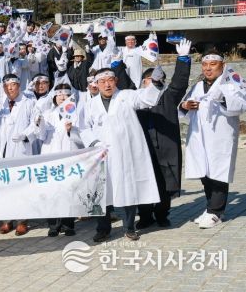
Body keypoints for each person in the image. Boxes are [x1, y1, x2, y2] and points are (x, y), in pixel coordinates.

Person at [81, 67, 165, 242]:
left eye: (110, 80)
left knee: (127, 188)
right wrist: (94, 143)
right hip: (101, 154)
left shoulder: (127, 96)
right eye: (102, 81)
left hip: (126, 153)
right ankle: (103, 229)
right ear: (96, 84)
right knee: (101, 191)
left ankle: (129, 227)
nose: (107, 85)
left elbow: (146, 98)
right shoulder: (90, 104)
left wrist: (156, 83)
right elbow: (84, 128)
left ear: (116, 81)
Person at [180, 49, 246, 229]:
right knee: (205, 173)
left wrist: (223, 98)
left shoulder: (231, 84)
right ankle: (210, 208)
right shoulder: (197, 85)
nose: (208, 68)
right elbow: (183, 105)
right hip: (199, 136)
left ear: (222, 66)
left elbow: (242, 105)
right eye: (205, 64)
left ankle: (216, 212)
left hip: (220, 137)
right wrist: (186, 105)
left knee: (219, 173)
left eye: (213, 64)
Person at [136, 39, 191, 229]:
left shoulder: (168, 96)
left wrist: (183, 59)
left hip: (166, 147)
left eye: (159, 81)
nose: (155, 84)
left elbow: (179, 84)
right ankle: (145, 216)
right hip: (143, 147)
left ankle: (161, 214)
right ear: (144, 83)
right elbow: (123, 82)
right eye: (151, 81)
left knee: (165, 182)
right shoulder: (134, 98)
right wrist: (118, 65)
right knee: (143, 181)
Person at [0, 73, 40, 236]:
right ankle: (7, 220)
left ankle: (22, 221)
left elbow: (36, 123)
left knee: (21, 186)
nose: (10, 88)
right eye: (6, 85)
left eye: (13, 85)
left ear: (19, 85)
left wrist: (25, 135)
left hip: (20, 149)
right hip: (2, 150)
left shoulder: (29, 103)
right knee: (4, 186)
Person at [41, 84, 84, 237]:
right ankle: (53, 225)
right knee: (51, 191)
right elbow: (41, 135)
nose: (62, 97)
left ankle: (68, 224)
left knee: (68, 191)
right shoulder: (47, 114)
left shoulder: (76, 114)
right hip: (51, 157)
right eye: (59, 95)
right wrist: (39, 123)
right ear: (54, 97)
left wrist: (71, 130)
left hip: (69, 157)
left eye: (66, 95)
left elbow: (82, 137)